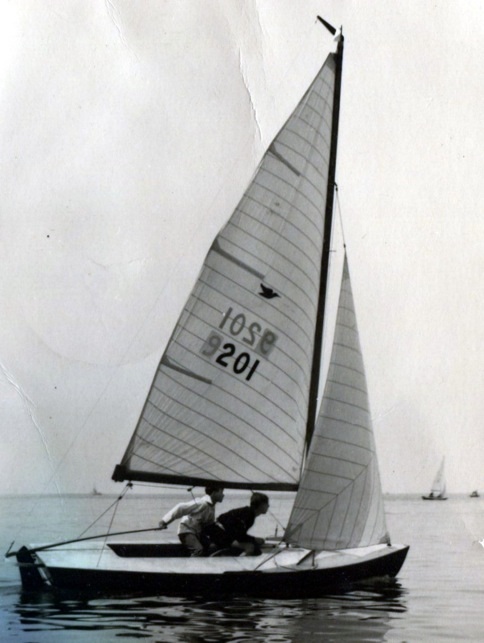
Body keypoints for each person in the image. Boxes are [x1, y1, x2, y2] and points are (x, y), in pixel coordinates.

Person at [158, 485, 224, 556]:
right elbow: (180, 508)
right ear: (214, 493)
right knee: (198, 550)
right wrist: (164, 521)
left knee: (213, 547)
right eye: (221, 492)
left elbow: (209, 525)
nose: (223, 495)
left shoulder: (211, 506)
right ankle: (193, 563)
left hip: (197, 532)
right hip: (186, 531)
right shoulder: (201, 503)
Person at [202, 492, 269, 556]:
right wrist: (254, 539)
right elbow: (238, 534)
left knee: (254, 547)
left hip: (221, 533)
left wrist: (253, 540)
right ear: (261, 505)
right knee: (250, 547)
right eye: (266, 503)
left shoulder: (248, 513)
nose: (268, 506)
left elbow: (239, 533)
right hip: (219, 534)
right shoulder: (248, 514)